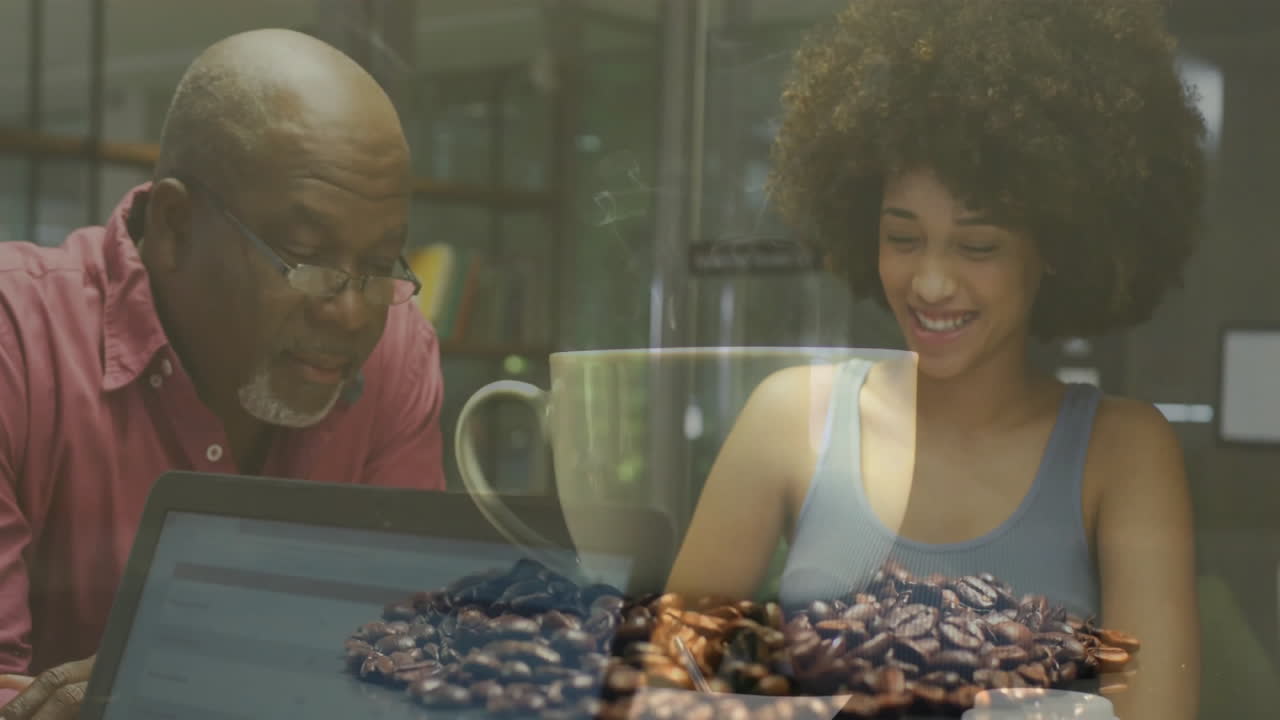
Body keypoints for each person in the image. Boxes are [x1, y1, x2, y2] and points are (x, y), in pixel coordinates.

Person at [667, 1, 1204, 718]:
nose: (930, 284)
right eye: (903, 238)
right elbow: (659, 687)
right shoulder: (793, 418)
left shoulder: (1124, 453)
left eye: (977, 247)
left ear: (1053, 251)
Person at [0, 29, 447, 718]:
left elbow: (401, 672)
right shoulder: (17, 343)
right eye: (306, 259)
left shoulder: (396, 354)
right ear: (175, 225)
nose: (352, 310)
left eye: (381, 264)